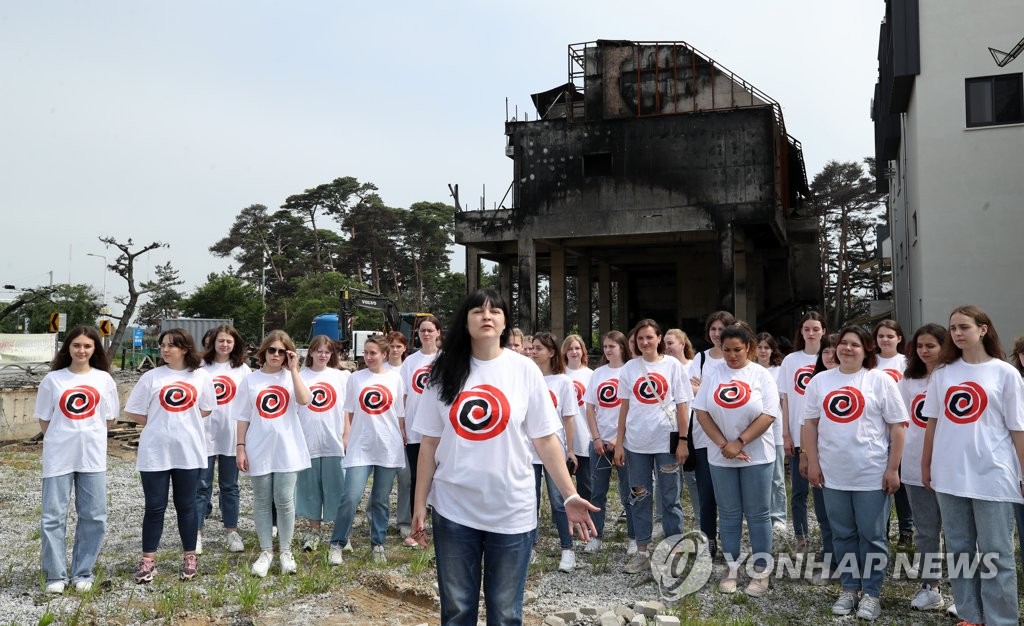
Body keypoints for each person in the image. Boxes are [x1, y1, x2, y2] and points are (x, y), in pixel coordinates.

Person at [410, 289, 597, 626]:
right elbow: (428, 445)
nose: (487, 316)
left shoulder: (524, 370)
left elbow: (546, 440)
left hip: (512, 509)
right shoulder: (443, 372)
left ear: (505, 322)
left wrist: (569, 493)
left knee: (506, 613)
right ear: (464, 321)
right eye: (478, 311)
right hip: (454, 510)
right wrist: (419, 504)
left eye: (495, 311)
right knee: (456, 611)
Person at [921, 306, 1024, 626]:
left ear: (983, 329)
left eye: (964, 326)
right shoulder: (943, 373)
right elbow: (932, 423)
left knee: (997, 554)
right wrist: (926, 465)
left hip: (993, 475)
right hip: (950, 475)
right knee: (960, 551)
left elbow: (1017, 428)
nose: (957, 333)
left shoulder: (1005, 373)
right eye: (952, 328)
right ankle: (970, 615)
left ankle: (1001, 619)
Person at [803, 326, 907, 621]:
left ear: (867, 350)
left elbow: (898, 426)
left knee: (872, 535)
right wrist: (813, 462)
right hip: (833, 475)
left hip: (871, 474)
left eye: (854, 344)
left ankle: (872, 593)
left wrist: (892, 468)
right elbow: (810, 424)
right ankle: (849, 588)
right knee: (843, 534)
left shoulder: (880, 381)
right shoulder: (820, 382)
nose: (847, 349)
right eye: (842, 343)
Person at [693, 324, 779, 597]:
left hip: (757, 455)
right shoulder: (713, 373)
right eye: (726, 350)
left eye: (737, 350)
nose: (732, 355)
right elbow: (702, 412)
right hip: (720, 456)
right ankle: (732, 569)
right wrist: (723, 445)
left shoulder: (761, 375)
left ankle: (761, 571)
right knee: (729, 514)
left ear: (749, 348)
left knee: (758, 514)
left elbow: (768, 415)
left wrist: (739, 442)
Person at [124, 328, 215, 583]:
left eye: (171, 345)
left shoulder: (201, 377)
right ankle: (148, 560)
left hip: (188, 451)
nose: (165, 350)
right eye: (162, 345)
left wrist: (183, 423)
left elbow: (206, 409)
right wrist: (158, 422)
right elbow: (134, 411)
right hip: (155, 452)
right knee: (154, 507)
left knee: (186, 506)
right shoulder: (151, 377)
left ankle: (189, 556)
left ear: (185, 348)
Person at [38, 326, 119, 594]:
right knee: (53, 517)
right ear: (68, 348)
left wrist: (88, 436)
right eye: (76, 345)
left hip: (92, 458)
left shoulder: (104, 380)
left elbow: (109, 419)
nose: (81, 350)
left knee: (94, 516)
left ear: (95, 349)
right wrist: (65, 438)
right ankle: (55, 575)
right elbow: (45, 420)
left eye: (87, 346)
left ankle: (83, 572)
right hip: (58, 457)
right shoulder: (53, 380)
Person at [614, 319, 691, 574]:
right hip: (636, 444)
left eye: (650, 337)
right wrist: (619, 443)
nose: (645, 342)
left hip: (666, 442)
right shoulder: (629, 369)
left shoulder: (673, 367)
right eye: (640, 338)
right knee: (639, 497)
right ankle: (642, 551)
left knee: (670, 499)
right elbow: (624, 407)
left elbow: (682, 405)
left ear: (659, 338)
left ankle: (674, 550)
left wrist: (683, 440)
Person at [236, 330, 312, 577]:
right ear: (264, 351)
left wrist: (295, 370)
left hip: (287, 448)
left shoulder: (292, 378)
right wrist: (240, 447)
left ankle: (286, 551)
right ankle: (266, 551)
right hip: (258, 447)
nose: (276, 355)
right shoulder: (251, 380)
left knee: (284, 499)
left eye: (282, 351)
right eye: (272, 350)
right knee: (261, 500)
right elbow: (243, 416)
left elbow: (305, 400)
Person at [328, 335, 406, 565]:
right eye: (366, 352)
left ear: (384, 354)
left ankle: (378, 543)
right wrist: (346, 435)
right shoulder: (356, 378)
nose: (368, 357)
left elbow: (399, 413)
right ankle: (337, 543)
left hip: (388, 446)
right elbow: (349, 412)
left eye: (373, 353)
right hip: (361, 446)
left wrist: (402, 435)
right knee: (350, 496)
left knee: (381, 499)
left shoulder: (396, 379)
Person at [898, 323, 951, 612]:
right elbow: (899, 421)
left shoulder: (954, 375)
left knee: (959, 532)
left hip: (951, 466)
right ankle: (930, 587)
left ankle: (968, 590)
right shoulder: (909, 380)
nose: (925, 351)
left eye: (931, 345)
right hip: (916, 464)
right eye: (920, 346)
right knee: (926, 531)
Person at [195, 324, 250, 555]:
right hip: (204, 434)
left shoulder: (243, 370)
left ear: (235, 343)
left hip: (231, 435)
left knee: (230, 486)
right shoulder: (200, 367)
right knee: (201, 486)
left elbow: (248, 404)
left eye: (229, 341)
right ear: (212, 342)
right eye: (221, 341)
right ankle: (195, 533)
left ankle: (231, 531)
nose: (224, 345)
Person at [295, 335, 350, 552]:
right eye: (319, 351)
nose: (323, 355)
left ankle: (340, 533)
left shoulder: (341, 377)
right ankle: (314, 531)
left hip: (333, 442)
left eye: (327, 352)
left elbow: (347, 409)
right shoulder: (300, 376)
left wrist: (346, 434)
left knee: (337, 487)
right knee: (309, 489)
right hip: (307, 442)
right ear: (311, 352)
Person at [688, 311, 736, 558]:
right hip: (703, 434)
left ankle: (731, 543)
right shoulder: (701, 358)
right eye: (713, 329)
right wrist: (706, 391)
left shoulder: (736, 358)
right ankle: (708, 541)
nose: (717, 334)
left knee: (729, 494)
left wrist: (705, 388)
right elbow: (692, 390)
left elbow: (703, 390)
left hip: (733, 434)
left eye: (721, 329)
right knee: (707, 493)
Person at [531, 331, 580, 572]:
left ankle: (568, 549)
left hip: (554, 452)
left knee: (560, 502)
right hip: (527, 452)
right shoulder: (526, 379)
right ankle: (529, 547)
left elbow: (568, 419)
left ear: (551, 352)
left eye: (539, 348)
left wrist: (570, 450)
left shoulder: (563, 382)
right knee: (530, 501)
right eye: (532, 347)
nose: (533, 351)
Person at [778, 311, 826, 555]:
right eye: (807, 328)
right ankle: (801, 538)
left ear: (823, 331)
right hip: (797, 436)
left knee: (822, 490)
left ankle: (828, 539)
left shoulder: (830, 357)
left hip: (823, 437)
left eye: (816, 329)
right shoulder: (791, 361)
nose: (811, 333)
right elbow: (785, 401)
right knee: (798, 491)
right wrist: (786, 434)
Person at [584, 331, 634, 555]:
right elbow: (590, 408)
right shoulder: (598, 373)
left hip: (625, 443)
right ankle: (596, 536)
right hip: (600, 444)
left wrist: (618, 439)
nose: (607, 350)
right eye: (605, 346)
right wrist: (596, 438)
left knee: (629, 492)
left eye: (612, 346)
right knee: (597, 492)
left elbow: (636, 409)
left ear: (622, 347)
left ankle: (634, 537)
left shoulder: (631, 371)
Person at [399, 316, 442, 548]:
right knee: (418, 479)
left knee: (441, 478)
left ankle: (443, 526)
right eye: (422, 331)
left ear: (438, 333)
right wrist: (402, 425)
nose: (426, 334)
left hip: (441, 433)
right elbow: (403, 396)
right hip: (417, 431)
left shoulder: (445, 359)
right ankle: (418, 529)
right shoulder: (410, 362)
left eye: (430, 330)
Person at [874, 319, 914, 548]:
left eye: (890, 336)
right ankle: (883, 527)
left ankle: (906, 531)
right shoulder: (871, 363)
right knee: (882, 482)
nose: (885, 340)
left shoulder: (906, 363)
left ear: (899, 338)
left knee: (902, 482)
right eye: (881, 336)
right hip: (879, 431)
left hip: (902, 429)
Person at [666, 328, 701, 530]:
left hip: (693, 427)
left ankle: (699, 521)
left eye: (671, 343)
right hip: (670, 429)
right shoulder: (663, 366)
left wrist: (697, 389)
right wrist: (693, 389)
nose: (667, 347)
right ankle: (663, 520)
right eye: (666, 344)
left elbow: (702, 391)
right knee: (668, 477)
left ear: (682, 343)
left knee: (692, 477)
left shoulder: (693, 366)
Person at [755, 332, 787, 535]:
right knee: (758, 477)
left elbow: (784, 402)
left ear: (772, 349)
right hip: (754, 431)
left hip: (775, 430)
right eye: (759, 347)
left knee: (777, 476)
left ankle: (779, 516)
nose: (763, 350)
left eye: (767, 347)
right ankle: (760, 514)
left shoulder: (779, 370)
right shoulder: (750, 370)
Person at [562, 333, 594, 533]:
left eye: (577, 348)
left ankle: (587, 520)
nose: (574, 352)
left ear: (583, 351)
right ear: (564, 352)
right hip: (561, 440)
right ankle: (564, 522)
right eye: (570, 348)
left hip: (585, 438)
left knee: (586, 484)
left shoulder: (591, 375)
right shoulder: (560, 374)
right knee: (562, 488)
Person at [385, 330, 414, 538]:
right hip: (384, 431)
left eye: (398, 346)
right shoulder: (380, 369)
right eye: (391, 346)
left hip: (405, 431)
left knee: (406, 479)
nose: (394, 350)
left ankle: (404, 520)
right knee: (382, 479)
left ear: (404, 348)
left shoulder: (409, 368)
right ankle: (376, 517)